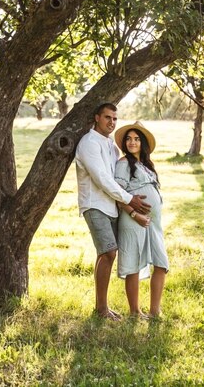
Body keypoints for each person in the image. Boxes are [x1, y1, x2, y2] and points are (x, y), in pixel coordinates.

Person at [75, 103, 151, 320]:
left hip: (112, 205)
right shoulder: (89, 143)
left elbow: (118, 178)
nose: (112, 122)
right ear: (97, 117)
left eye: (115, 119)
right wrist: (130, 200)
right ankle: (101, 309)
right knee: (109, 252)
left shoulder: (111, 146)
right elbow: (101, 179)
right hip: (94, 204)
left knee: (106, 253)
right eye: (107, 117)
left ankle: (103, 307)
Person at [114, 121, 168, 318]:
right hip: (133, 220)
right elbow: (117, 194)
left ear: (143, 142)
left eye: (136, 139)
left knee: (161, 264)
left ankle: (155, 311)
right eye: (128, 139)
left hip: (153, 223)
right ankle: (135, 312)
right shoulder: (123, 164)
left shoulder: (146, 165)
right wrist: (134, 214)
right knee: (133, 265)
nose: (132, 142)